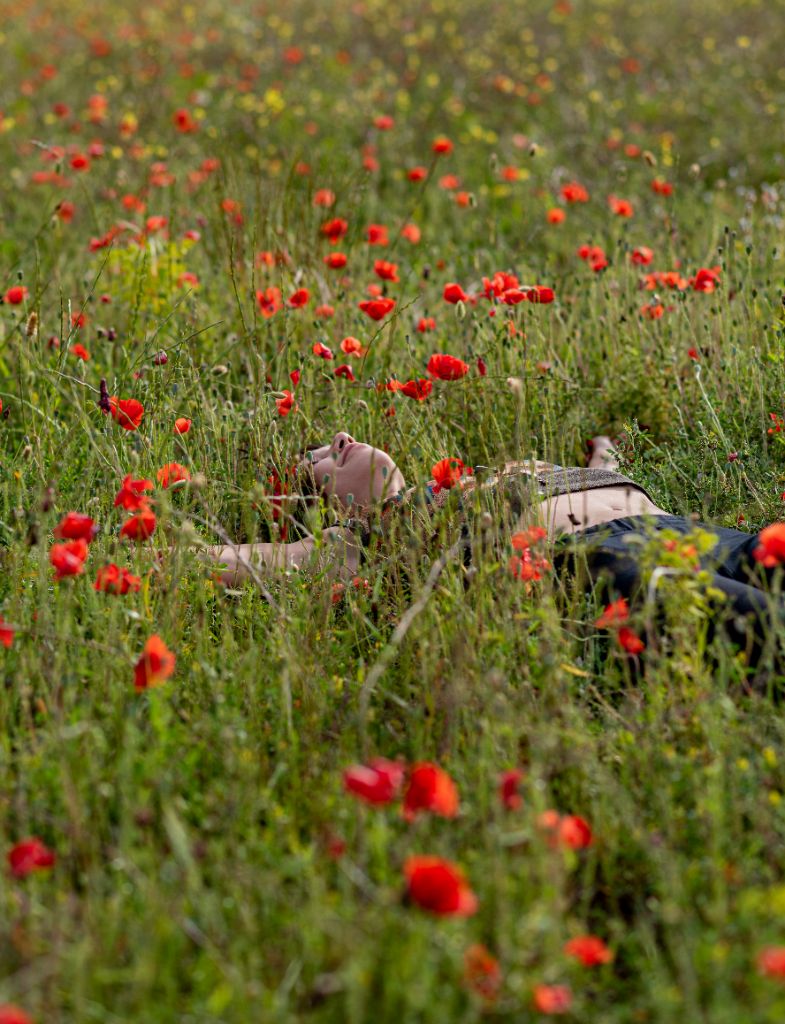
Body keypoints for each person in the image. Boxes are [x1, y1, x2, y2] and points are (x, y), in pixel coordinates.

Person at [205, 431, 783, 670]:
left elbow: (603, 467)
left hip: (683, 530)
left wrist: (604, 451)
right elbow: (218, 562)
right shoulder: (360, 545)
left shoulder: (481, 477)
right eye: (322, 461)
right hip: (597, 561)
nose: (341, 441)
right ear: (323, 507)